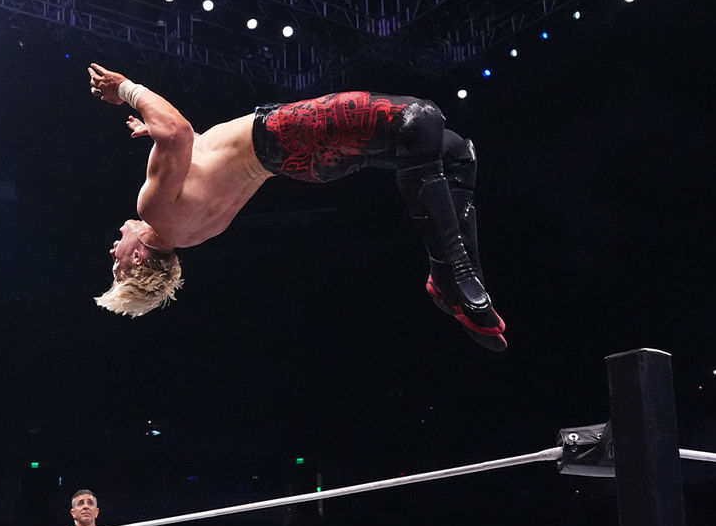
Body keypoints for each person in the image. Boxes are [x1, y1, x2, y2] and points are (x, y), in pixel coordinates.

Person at [87, 62, 506, 351]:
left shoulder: (192, 234)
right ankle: (452, 275)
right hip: (285, 135)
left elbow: (200, 152)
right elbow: (178, 133)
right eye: (118, 265)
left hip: (301, 164)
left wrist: (155, 131)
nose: (113, 253)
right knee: (421, 118)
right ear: (140, 258)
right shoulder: (153, 210)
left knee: (455, 153)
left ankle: (461, 280)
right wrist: (127, 90)